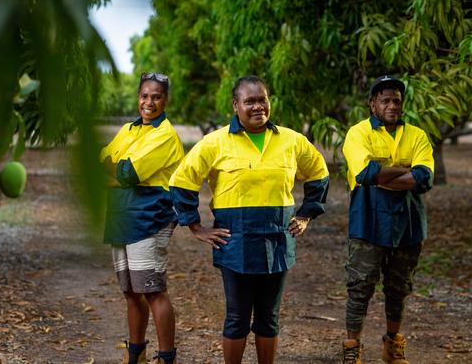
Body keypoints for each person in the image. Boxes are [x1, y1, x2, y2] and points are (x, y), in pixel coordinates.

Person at [169, 75, 329, 364]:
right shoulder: (215, 143)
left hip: (278, 240)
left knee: (269, 317)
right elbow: (182, 180)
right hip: (235, 242)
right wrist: (195, 226)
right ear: (235, 106)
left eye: (262, 99)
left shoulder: (291, 140)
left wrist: (306, 214)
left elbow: (319, 172)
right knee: (237, 317)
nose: (258, 106)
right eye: (249, 101)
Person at [340, 75, 434, 364]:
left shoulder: (417, 135)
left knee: (399, 287)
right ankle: (352, 346)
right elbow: (365, 174)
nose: (392, 104)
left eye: (396, 100)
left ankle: (393, 345)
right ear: (372, 104)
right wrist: (403, 169)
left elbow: (425, 177)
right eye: (385, 100)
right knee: (361, 285)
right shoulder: (358, 133)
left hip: (408, 222)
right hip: (368, 219)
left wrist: (384, 173)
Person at [99, 72, 184, 364]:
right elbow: (103, 162)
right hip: (121, 215)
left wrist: (117, 169)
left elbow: (127, 173)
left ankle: (166, 357)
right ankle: (136, 354)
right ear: (138, 97)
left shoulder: (165, 135)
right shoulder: (128, 129)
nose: (149, 102)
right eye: (145, 96)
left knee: (152, 291)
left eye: (156, 96)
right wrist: (115, 169)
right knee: (131, 292)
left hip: (150, 218)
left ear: (166, 100)